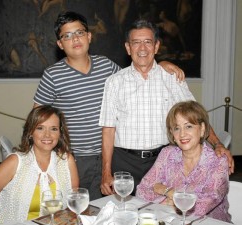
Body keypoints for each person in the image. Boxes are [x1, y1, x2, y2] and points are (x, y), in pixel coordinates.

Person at [33, 11, 186, 201]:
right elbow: (38, 118)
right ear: (59, 43)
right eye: (67, 35)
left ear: (89, 36)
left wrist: (162, 63)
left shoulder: (106, 66)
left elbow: (137, 74)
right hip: (74, 157)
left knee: (104, 207)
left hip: (110, 156)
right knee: (74, 206)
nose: (75, 39)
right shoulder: (52, 75)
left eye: (79, 32)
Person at [99, 19, 234, 196]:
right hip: (125, 164)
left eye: (148, 42)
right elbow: (108, 130)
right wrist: (106, 172)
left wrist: (217, 144)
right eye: (136, 42)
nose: (142, 48)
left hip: (163, 162)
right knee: (124, 216)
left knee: (164, 216)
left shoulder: (172, 78)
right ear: (128, 47)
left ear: (156, 47)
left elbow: (196, 118)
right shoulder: (114, 82)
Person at [0, 105, 79, 225]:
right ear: (30, 132)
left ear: (60, 133)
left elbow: (73, 205)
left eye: (53, 129)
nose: (47, 135)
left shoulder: (66, 161)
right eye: (40, 128)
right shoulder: (14, 162)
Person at [136, 101, 231, 222]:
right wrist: (169, 192)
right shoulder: (167, 154)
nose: (182, 134)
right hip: (172, 220)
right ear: (172, 133)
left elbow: (204, 205)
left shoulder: (218, 162)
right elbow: (142, 190)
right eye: (177, 128)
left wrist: (167, 195)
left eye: (188, 126)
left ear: (202, 129)